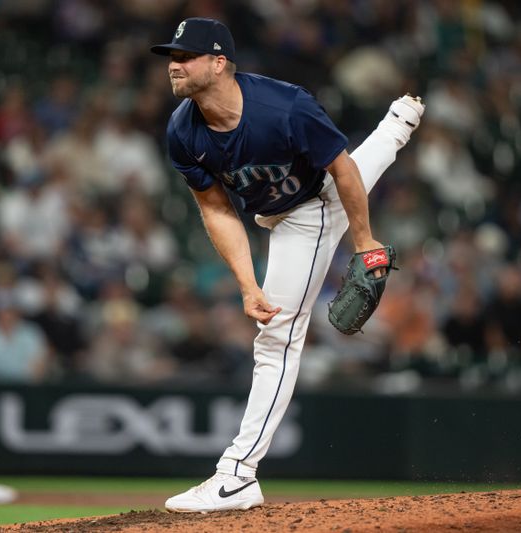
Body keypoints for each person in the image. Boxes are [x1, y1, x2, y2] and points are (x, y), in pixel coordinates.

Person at [150, 17, 424, 513]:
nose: (174, 65)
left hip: (313, 204)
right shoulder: (182, 131)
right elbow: (215, 208)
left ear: (219, 62)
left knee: (277, 339)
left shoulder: (285, 106)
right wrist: (246, 283)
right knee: (367, 160)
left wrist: (364, 243)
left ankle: (237, 474)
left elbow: (340, 171)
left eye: (185, 56)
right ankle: (399, 123)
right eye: (171, 57)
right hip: (274, 211)